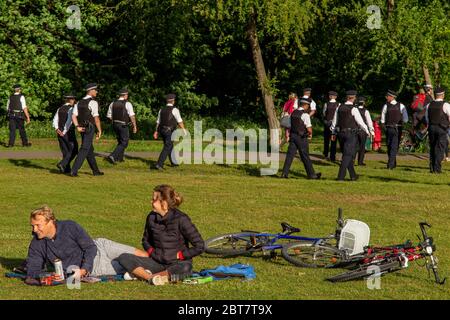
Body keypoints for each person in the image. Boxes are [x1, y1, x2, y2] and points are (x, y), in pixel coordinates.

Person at [24, 206, 149, 283]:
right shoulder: (37, 244)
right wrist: (50, 276)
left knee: (142, 255)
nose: (34, 230)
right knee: (131, 264)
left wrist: (84, 269)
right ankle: (155, 274)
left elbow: (90, 247)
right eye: (32, 226)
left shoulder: (69, 226)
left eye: (37, 225)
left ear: (50, 222)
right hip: (97, 267)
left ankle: (163, 264)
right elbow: (32, 271)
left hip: (100, 246)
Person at [118, 185, 205, 285]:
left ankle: (143, 275)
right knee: (124, 257)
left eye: (154, 199)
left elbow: (200, 246)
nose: (151, 202)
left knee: (186, 268)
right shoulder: (151, 217)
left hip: (177, 263)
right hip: (157, 262)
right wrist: (152, 252)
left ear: (164, 203)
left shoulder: (181, 219)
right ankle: (151, 278)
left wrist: (180, 255)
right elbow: (145, 240)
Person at [330, 90, 370, 181]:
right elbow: (360, 122)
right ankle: (340, 176)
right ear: (353, 98)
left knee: (346, 154)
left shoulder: (339, 107)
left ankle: (353, 175)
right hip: (350, 133)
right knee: (347, 155)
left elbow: (334, 121)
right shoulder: (354, 109)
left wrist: (333, 132)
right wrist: (367, 131)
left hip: (340, 133)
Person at [280, 99, 321, 179]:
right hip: (301, 137)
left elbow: (289, 125)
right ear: (305, 105)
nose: (308, 107)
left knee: (290, 156)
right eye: (308, 106)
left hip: (293, 136)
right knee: (305, 156)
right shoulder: (305, 115)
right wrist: (309, 134)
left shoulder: (293, 113)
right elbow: (309, 129)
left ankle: (284, 173)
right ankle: (312, 175)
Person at [70, 83, 103, 177]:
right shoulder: (93, 102)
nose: (96, 92)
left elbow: (73, 116)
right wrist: (99, 130)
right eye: (95, 90)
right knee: (85, 148)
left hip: (82, 127)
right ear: (91, 91)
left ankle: (95, 171)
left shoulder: (79, 102)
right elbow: (96, 118)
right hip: (90, 128)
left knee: (89, 149)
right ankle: (74, 170)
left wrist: (77, 127)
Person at [153, 94, 186, 170]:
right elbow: (179, 121)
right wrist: (184, 130)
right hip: (169, 131)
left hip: (162, 130)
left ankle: (174, 163)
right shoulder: (175, 110)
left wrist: (156, 131)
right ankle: (159, 164)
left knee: (169, 146)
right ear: (173, 101)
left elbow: (158, 122)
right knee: (167, 146)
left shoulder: (161, 109)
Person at [106, 89, 137, 164]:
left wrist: (115, 121)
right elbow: (132, 116)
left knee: (120, 141)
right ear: (125, 95)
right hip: (123, 125)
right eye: (127, 95)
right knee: (124, 142)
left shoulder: (112, 103)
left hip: (115, 124)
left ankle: (119, 158)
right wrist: (134, 126)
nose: (127, 96)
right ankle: (113, 156)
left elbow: (109, 116)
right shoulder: (127, 103)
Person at [380, 90, 409, 169]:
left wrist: (384, 127)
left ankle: (390, 165)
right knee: (392, 147)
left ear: (392, 97)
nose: (386, 97)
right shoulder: (401, 106)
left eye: (387, 96)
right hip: (396, 128)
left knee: (391, 146)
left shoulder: (386, 106)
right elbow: (406, 119)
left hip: (390, 128)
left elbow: (382, 120)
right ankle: (393, 163)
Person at [425, 87, 450, 173]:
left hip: (431, 127)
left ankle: (432, 168)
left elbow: (426, 118)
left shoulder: (429, 105)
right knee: (440, 149)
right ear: (442, 95)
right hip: (442, 128)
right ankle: (437, 169)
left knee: (432, 148)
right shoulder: (446, 105)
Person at [53, 93, 79, 174]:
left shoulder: (60, 108)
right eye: (73, 99)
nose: (74, 101)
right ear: (70, 100)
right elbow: (69, 121)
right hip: (67, 132)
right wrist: (64, 132)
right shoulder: (71, 109)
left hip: (59, 131)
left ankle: (66, 169)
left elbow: (55, 119)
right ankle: (62, 164)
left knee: (65, 151)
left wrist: (57, 129)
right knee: (74, 150)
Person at [355, 96, 375, 166]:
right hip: (363, 130)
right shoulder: (366, 111)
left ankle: (351, 160)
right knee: (362, 147)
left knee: (354, 146)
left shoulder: (354, 109)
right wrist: (372, 132)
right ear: (364, 103)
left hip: (355, 130)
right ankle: (360, 162)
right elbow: (369, 122)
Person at [322, 91, 340, 161]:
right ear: (335, 97)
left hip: (328, 123)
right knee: (333, 140)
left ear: (330, 96)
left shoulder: (326, 104)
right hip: (335, 124)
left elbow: (324, 113)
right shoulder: (339, 104)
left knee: (326, 140)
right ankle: (333, 156)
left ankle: (326, 154)